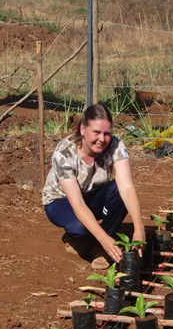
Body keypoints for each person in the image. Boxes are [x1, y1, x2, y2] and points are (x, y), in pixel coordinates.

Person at [43, 104, 145, 269]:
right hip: (61, 201)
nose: (102, 139)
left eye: (107, 133)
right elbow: (76, 202)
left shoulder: (115, 146)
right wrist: (103, 238)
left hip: (92, 196)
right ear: (83, 129)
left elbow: (127, 186)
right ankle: (75, 238)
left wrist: (139, 229)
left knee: (119, 190)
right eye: (96, 132)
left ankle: (102, 250)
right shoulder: (65, 153)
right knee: (79, 228)